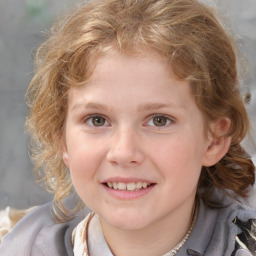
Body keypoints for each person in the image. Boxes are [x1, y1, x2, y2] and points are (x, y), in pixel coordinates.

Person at [0, 0, 255, 255]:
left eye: (159, 120)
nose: (123, 152)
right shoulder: (20, 247)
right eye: (97, 120)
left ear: (214, 139)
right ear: (62, 140)